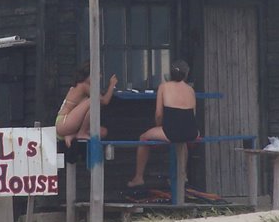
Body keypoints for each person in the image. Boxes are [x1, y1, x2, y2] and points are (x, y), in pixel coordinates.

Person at [128, 59, 198, 187]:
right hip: (192, 131)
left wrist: (158, 126)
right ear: (186, 74)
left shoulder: (164, 87)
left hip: (171, 131)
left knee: (143, 137)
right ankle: (183, 174)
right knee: (182, 141)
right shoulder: (190, 89)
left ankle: (139, 177)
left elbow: (159, 114)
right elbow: (193, 114)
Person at [55, 62, 117, 149]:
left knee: (103, 132)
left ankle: (74, 134)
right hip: (64, 122)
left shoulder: (85, 87)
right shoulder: (83, 85)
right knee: (94, 100)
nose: (100, 77)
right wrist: (112, 85)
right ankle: (81, 133)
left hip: (72, 125)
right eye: (98, 73)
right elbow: (104, 101)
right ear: (89, 74)